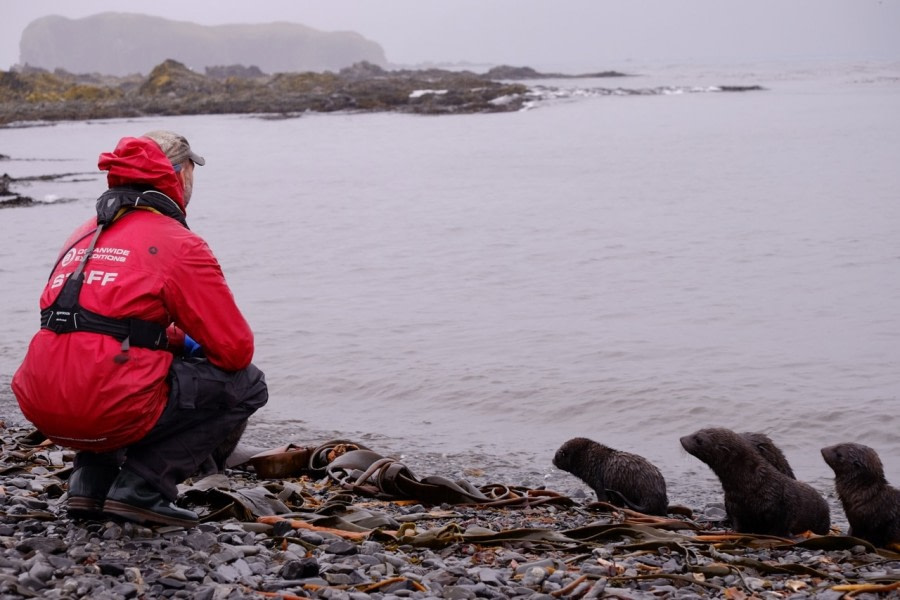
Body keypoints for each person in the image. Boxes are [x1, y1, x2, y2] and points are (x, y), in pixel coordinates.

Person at [11, 131, 268, 528]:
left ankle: (90, 483)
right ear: (179, 175)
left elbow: (83, 321)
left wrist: (164, 338)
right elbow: (236, 350)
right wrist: (182, 340)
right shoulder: (178, 243)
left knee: (108, 358)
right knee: (248, 384)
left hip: (41, 401)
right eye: (190, 171)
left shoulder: (82, 234)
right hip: (106, 406)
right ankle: (143, 486)